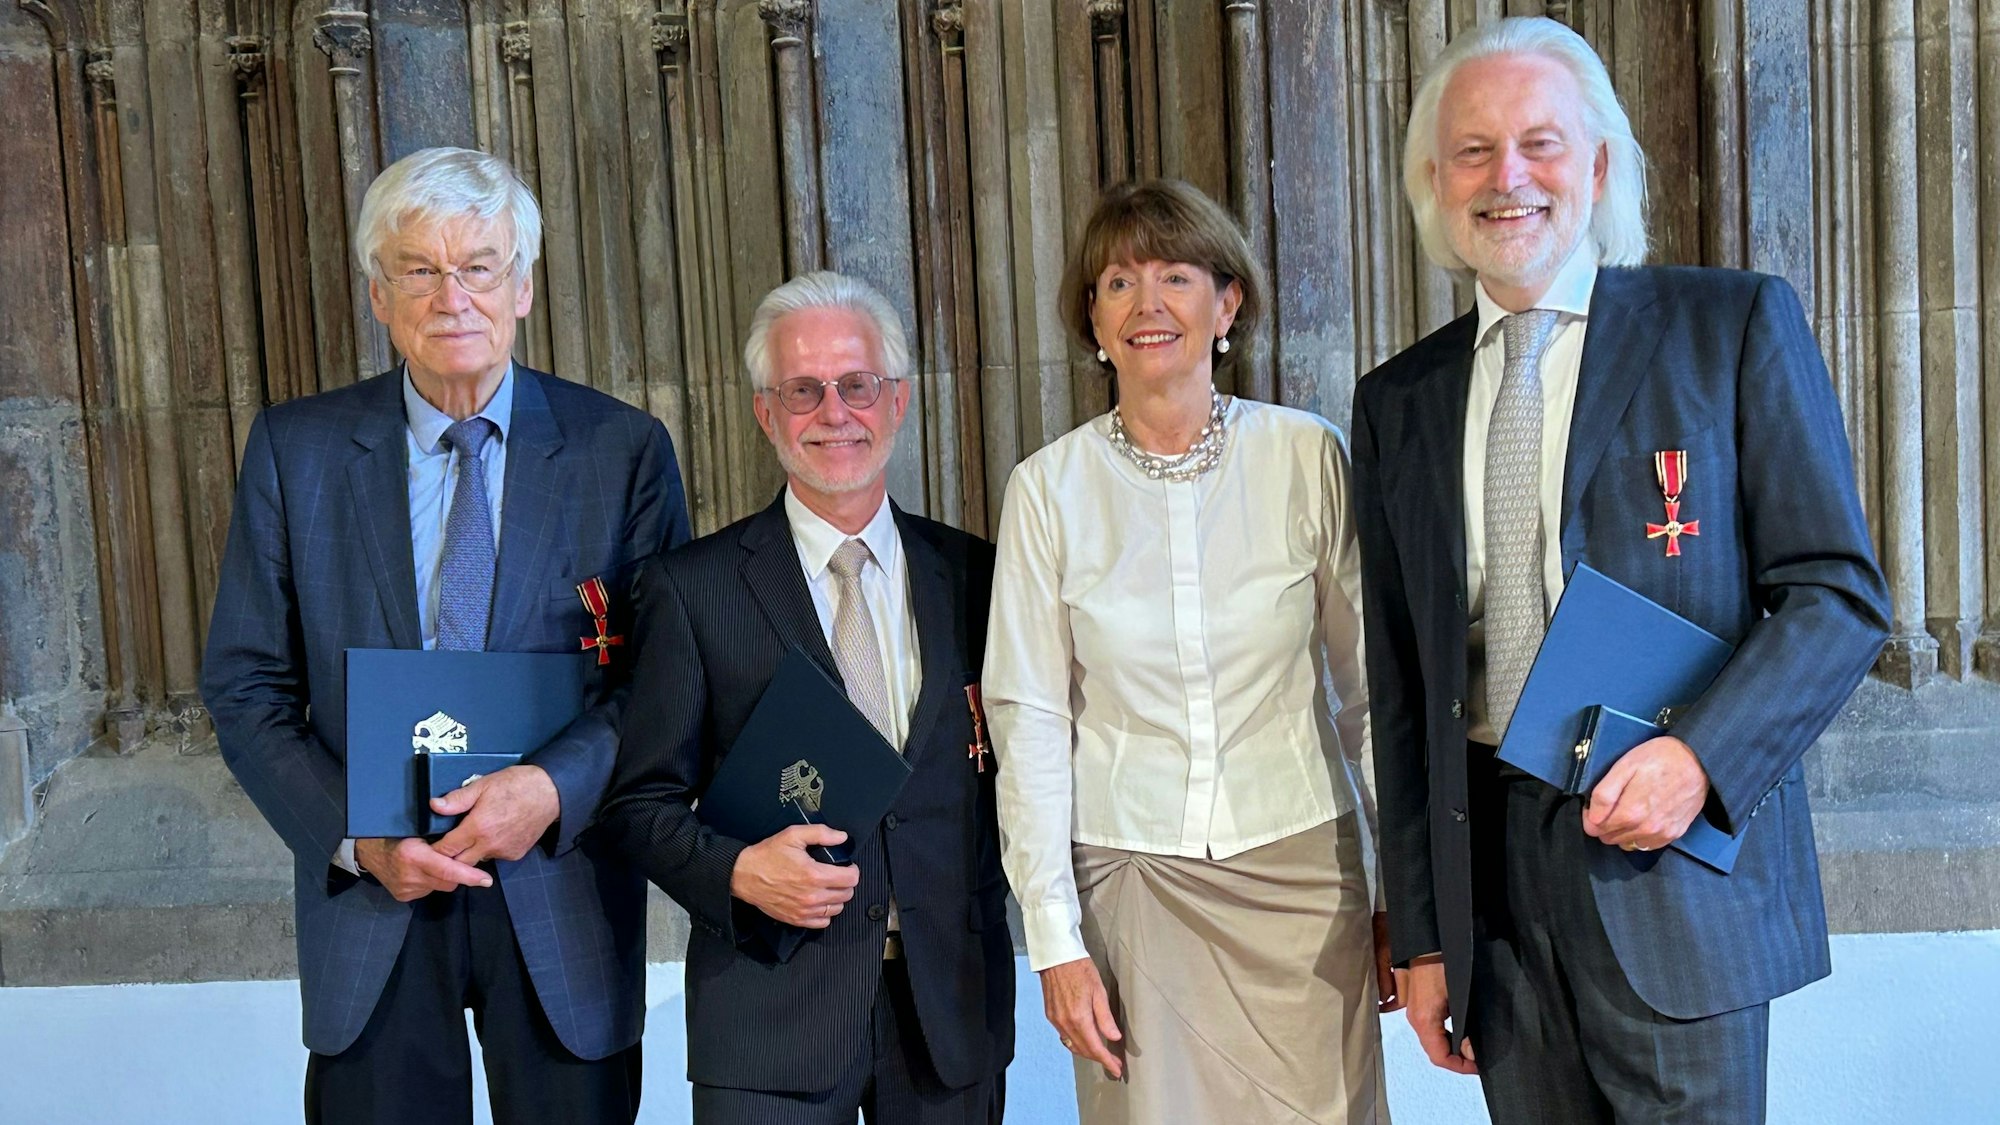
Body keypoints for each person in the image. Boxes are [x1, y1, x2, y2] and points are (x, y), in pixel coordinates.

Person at [1351, 17, 1891, 1123]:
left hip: (1674, 871)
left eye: (1539, 144)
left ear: (1595, 167)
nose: (1506, 178)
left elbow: (1834, 595)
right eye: (1472, 151)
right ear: (1433, 184)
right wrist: (1419, 933)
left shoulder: (1726, 326)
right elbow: (1403, 687)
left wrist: (1697, 758)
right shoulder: (1397, 400)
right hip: (1492, 892)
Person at [201, 146, 690, 1124]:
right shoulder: (296, 452)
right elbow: (245, 685)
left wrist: (550, 787)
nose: (450, 295)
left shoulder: (619, 450)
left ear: (522, 287)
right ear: (378, 295)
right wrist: (354, 833)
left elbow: (664, 681)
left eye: (477, 266)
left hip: (559, 882)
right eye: (418, 269)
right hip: (373, 896)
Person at [983, 179, 1394, 1124]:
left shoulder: (1308, 457)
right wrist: (1053, 937)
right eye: (1118, 283)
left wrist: (1403, 894)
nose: (1148, 304)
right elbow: (1030, 718)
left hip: (1306, 879)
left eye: (1175, 275)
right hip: (1132, 884)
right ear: (1092, 318)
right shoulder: (1048, 490)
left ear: (1228, 304)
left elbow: (1370, 694)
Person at [593, 270, 1013, 1123]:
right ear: (765, 413)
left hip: (949, 1011)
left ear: (896, 400)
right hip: (769, 1015)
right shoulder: (692, 588)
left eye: (856, 385)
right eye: (803, 390)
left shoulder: (980, 575)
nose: (834, 412)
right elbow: (637, 802)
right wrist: (738, 869)